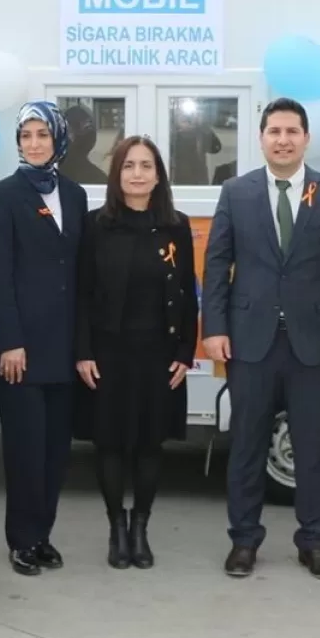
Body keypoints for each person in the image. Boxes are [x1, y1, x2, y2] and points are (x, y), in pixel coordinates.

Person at [202, 97, 320, 581]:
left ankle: (313, 541)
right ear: (261, 138)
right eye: (274, 131)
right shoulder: (236, 192)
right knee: (248, 444)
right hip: (248, 341)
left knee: (313, 447)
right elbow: (217, 264)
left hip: (314, 344)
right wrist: (213, 327)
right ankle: (244, 540)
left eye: (292, 131)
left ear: (306, 138)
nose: (283, 139)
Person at [74, 136, 199, 569]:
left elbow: (188, 294)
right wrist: (83, 351)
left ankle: (141, 527)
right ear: (117, 174)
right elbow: (83, 295)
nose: (138, 174)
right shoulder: (96, 225)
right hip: (107, 354)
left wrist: (186, 351)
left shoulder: (177, 226)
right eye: (129, 166)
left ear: (159, 174)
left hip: (159, 355)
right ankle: (116, 527)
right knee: (109, 444)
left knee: (149, 445)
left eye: (147, 165)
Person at [0, 101, 88, 576]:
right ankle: (21, 540)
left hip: (64, 347)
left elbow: (82, 275)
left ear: (58, 138)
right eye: (25, 135)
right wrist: (9, 340)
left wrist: (84, 347)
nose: (33, 143)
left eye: (42, 134)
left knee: (55, 452)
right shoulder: (4, 195)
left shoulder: (77, 194)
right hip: (21, 348)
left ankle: (43, 534)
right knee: (24, 451)